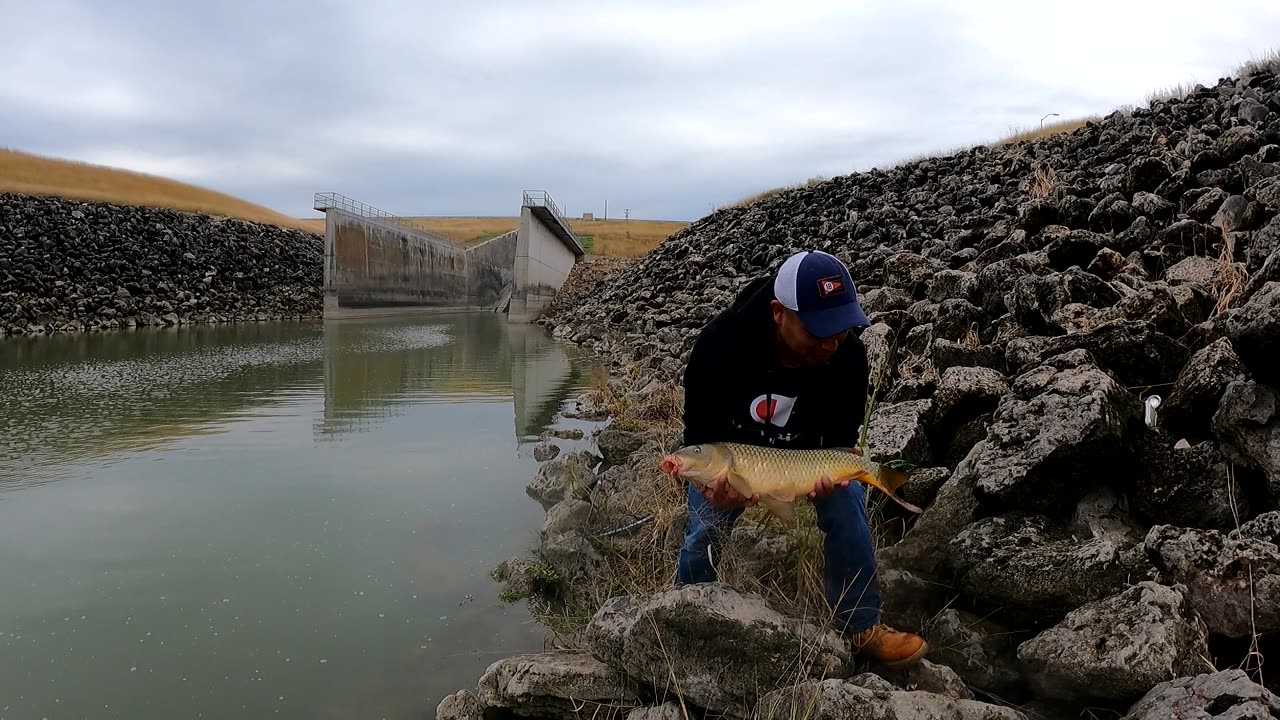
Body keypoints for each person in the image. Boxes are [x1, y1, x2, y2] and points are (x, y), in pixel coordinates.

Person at [673, 249, 927, 669]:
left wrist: (838, 470)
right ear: (779, 313)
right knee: (706, 524)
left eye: (840, 329)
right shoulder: (719, 345)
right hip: (734, 455)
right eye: (817, 330)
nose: (830, 343)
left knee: (846, 503)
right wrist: (711, 488)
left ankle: (861, 624)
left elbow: (841, 442)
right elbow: (699, 438)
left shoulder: (848, 356)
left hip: (807, 458)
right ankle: (687, 610)